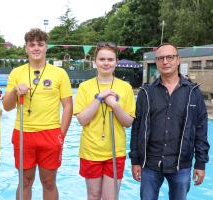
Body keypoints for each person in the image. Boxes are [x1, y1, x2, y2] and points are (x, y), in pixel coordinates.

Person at [129, 43, 210, 200]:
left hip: (181, 164)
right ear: (157, 62)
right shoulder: (146, 93)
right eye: (161, 58)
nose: (165, 61)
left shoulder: (193, 93)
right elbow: (137, 129)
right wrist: (135, 160)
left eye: (170, 57)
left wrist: (200, 163)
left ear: (178, 60)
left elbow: (201, 130)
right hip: (150, 163)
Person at [3, 28, 73, 200]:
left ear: (46, 47)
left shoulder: (59, 73)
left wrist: (60, 135)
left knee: (49, 182)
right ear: (26, 48)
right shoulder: (16, 73)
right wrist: (14, 91)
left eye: (40, 44)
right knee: (25, 181)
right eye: (32, 44)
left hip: (50, 133)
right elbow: (7, 106)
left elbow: (68, 106)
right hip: (23, 133)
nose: (36, 48)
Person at [74, 42, 136, 200]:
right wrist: (99, 98)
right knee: (93, 196)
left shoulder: (125, 87)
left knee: (111, 198)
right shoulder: (84, 87)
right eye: (102, 59)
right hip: (91, 151)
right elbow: (82, 119)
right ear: (95, 61)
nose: (106, 63)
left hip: (115, 152)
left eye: (110, 59)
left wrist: (114, 105)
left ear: (116, 61)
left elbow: (128, 122)